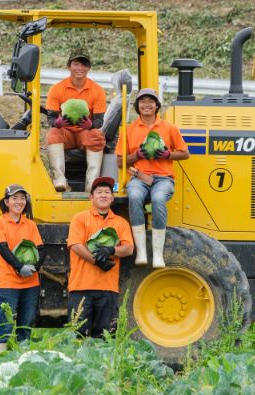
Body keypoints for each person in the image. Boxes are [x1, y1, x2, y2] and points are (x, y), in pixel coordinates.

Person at [115, 88, 190, 268]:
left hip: (163, 178)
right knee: (133, 196)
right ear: (137, 106)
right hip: (139, 178)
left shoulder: (169, 128)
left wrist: (167, 155)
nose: (146, 105)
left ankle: (157, 253)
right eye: (142, 101)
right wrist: (137, 155)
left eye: (150, 101)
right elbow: (120, 161)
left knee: (158, 199)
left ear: (156, 106)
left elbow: (185, 154)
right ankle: (141, 251)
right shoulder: (129, 129)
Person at [66, 176, 134, 338]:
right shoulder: (80, 218)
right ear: (91, 197)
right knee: (78, 336)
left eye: (107, 192)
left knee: (104, 337)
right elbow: (75, 245)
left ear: (112, 198)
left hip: (108, 289)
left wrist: (112, 250)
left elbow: (128, 249)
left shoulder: (120, 223)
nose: (103, 195)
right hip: (80, 288)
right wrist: (96, 261)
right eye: (99, 192)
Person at [0, 184, 45, 355]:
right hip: (9, 282)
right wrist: (20, 267)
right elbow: (3, 248)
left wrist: (34, 267)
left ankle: (23, 358)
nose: (19, 202)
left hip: (30, 283)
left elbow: (40, 249)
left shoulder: (30, 225)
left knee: (26, 323)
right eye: (14, 198)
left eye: (22, 198)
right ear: (6, 202)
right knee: (5, 322)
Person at [46, 47, 107, 193]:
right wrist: (58, 123)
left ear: (89, 68)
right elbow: (51, 118)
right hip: (65, 133)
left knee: (97, 136)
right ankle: (60, 181)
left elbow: (99, 121)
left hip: (84, 133)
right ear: (69, 66)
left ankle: (92, 185)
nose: (80, 68)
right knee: (53, 132)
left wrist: (90, 124)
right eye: (76, 64)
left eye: (84, 64)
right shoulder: (57, 89)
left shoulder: (97, 90)